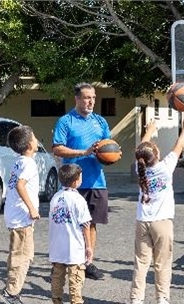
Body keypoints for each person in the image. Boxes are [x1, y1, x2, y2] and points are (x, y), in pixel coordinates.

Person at [130, 112, 184, 304]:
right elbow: (180, 145)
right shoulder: (165, 168)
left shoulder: (140, 170)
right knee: (162, 263)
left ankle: (137, 299)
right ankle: (162, 299)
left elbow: (141, 151)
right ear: (156, 155)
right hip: (162, 222)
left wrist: (149, 131)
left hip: (142, 221)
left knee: (141, 262)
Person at [52, 82, 110, 280]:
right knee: (68, 225)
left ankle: (88, 263)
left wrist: (110, 155)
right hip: (73, 182)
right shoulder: (65, 121)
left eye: (93, 97)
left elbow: (108, 147)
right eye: (86, 97)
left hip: (96, 181)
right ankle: (63, 263)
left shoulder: (101, 122)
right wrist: (83, 152)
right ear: (77, 99)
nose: (91, 101)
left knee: (91, 224)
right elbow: (57, 148)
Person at [0, 125, 40, 304]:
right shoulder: (28, 164)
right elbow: (21, 185)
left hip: (15, 215)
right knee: (22, 255)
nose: (37, 139)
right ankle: (11, 292)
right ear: (30, 144)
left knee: (21, 254)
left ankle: (13, 290)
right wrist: (32, 208)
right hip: (22, 216)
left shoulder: (19, 161)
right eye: (35, 137)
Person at [48, 164, 94, 304]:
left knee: (57, 276)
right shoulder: (78, 199)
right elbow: (86, 225)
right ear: (76, 180)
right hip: (73, 246)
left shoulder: (56, 197)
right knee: (75, 277)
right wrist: (89, 246)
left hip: (56, 246)